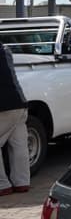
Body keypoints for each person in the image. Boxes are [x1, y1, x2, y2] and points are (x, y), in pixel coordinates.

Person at [0, 44, 30, 195]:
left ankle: (2, 185)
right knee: (19, 145)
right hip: (19, 103)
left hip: (3, 107)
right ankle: (22, 183)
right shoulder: (5, 50)